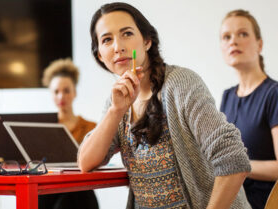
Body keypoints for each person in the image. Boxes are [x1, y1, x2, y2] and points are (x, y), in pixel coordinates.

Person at [78, 2, 251, 209]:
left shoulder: (180, 84)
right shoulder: (117, 100)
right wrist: (115, 111)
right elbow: (86, 162)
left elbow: (233, 158)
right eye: (107, 40)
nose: (118, 47)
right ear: (100, 55)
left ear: (147, 41)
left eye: (127, 34)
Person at [219, 9, 278, 209]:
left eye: (243, 34)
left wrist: (236, 166)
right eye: (226, 37)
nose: (233, 41)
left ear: (259, 44)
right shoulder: (227, 96)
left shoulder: (274, 94)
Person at [39, 58, 98, 209]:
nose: (61, 96)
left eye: (66, 90)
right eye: (56, 92)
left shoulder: (91, 128)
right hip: (48, 191)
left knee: (73, 194)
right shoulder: (41, 129)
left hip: (80, 192)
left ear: (74, 92)